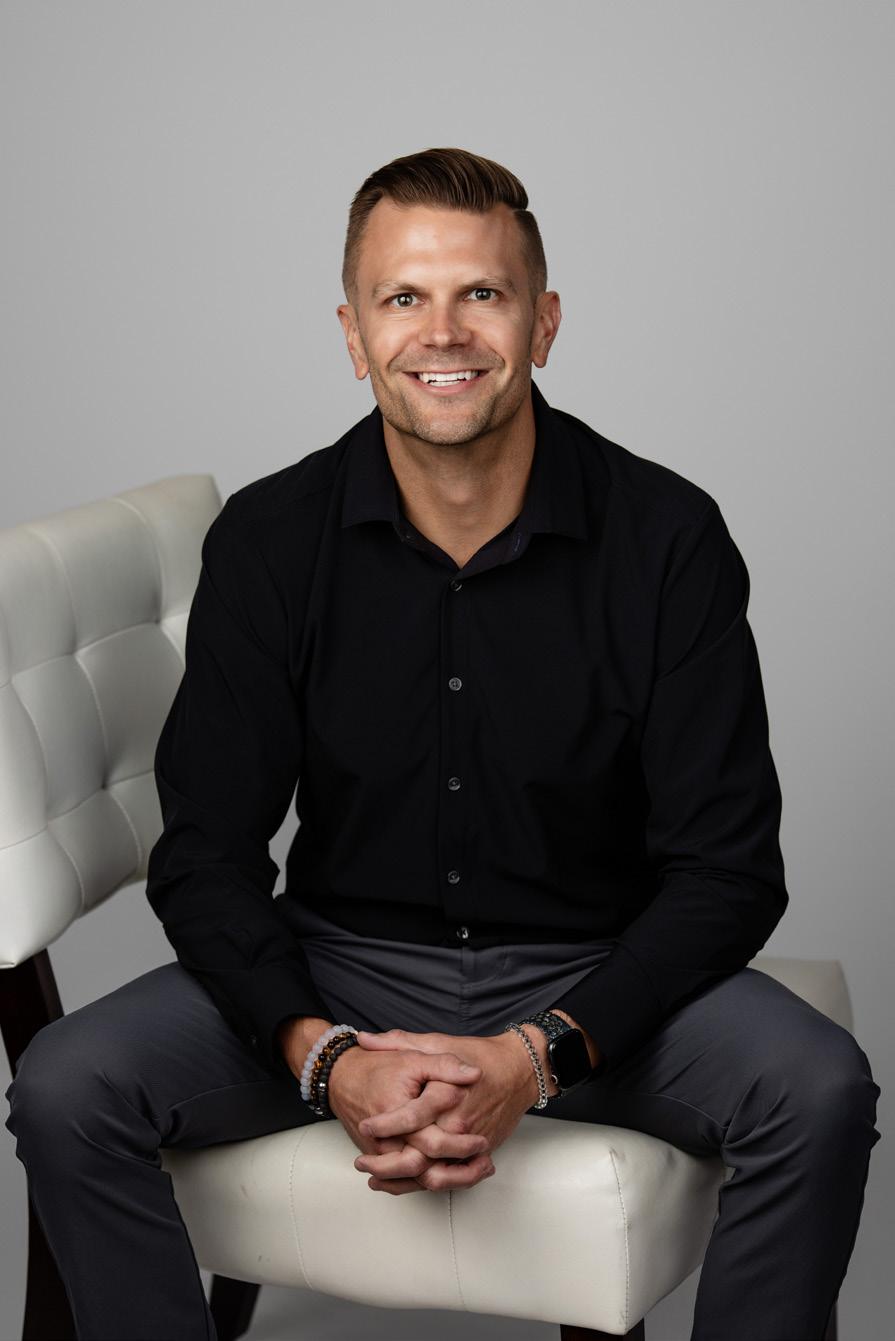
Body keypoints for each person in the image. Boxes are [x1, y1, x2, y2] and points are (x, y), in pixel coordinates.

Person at [5, 147, 880, 1341]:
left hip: (595, 969)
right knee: (65, 1085)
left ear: (544, 321)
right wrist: (325, 1057)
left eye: (482, 293)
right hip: (338, 965)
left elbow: (727, 872)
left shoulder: (666, 537)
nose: (443, 332)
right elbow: (204, 853)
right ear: (353, 334)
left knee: (816, 1090)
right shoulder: (272, 538)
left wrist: (539, 1056)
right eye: (402, 297)